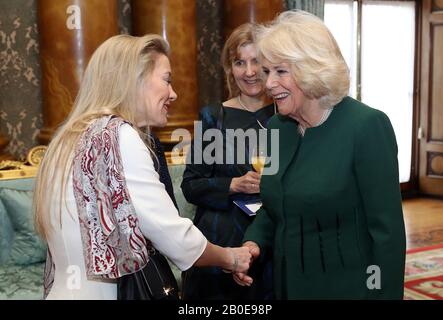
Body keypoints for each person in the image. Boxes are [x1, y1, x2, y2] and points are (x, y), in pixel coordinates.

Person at [32, 34, 252, 300]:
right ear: (133, 78)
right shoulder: (118, 136)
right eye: (167, 79)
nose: (174, 93)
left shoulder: (65, 138)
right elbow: (175, 238)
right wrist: (232, 258)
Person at [235, 10, 406, 299]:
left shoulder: (366, 127)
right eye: (267, 72)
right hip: (287, 288)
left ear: (311, 68)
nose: (268, 84)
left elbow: (387, 235)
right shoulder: (278, 127)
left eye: (280, 71)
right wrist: (253, 243)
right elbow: (277, 207)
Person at [181, 23, 275, 300]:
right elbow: (191, 186)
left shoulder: (286, 115)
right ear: (229, 69)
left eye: (257, 61)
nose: (249, 72)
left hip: (272, 243)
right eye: (239, 62)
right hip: (221, 243)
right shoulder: (214, 117)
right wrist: (233, 184)